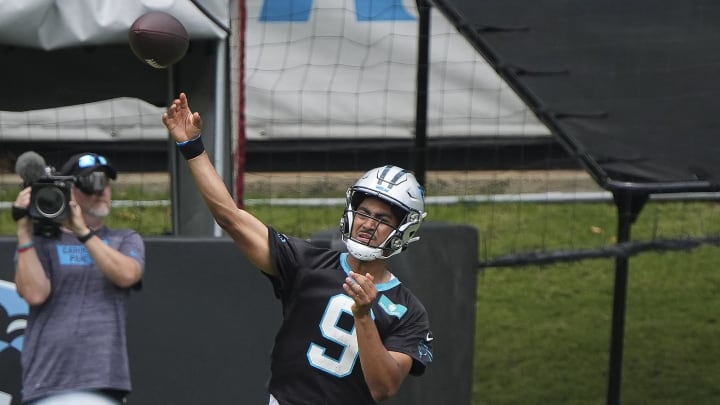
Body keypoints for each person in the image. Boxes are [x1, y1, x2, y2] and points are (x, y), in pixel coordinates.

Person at [163, 93, 434, 404]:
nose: (367, 224)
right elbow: (231, 217)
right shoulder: (309, 262)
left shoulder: (409, 311)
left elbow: (383, 388)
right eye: (364, 213)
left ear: (404, 229)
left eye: (382, 218)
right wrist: (192, 148)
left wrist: (363, 315)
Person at [12, 153, 145, 405]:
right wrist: (23, 231)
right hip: (46, 381)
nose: (101, 190)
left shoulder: (124, 239)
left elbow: (127, 275)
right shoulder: (41, 241)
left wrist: (82, 231)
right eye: (90, 183)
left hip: (103, 381)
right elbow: (34, 293)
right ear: (69, 189)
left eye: (105, 183)